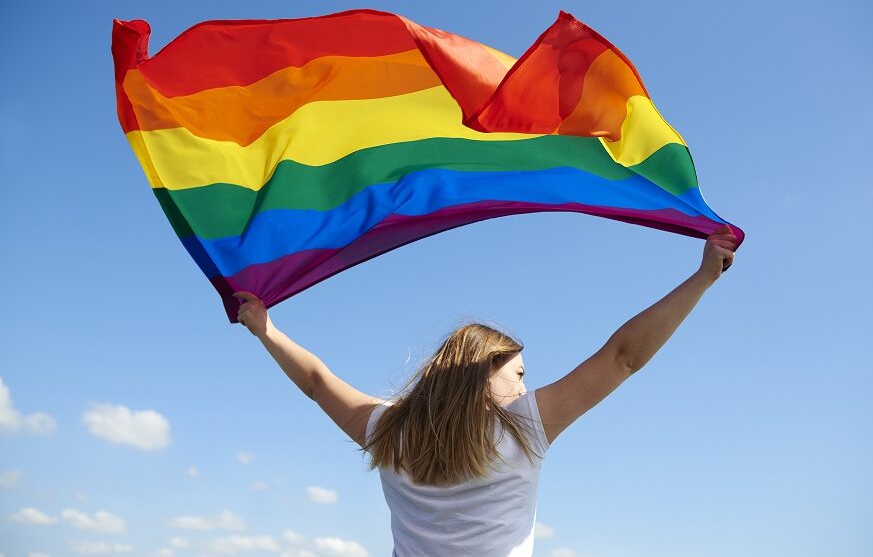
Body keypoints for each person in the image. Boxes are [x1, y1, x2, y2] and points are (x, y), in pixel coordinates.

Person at [233, 224, 738, 556]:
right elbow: (622, 356)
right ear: (482, 373)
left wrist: (267, 330)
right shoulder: (524, 428)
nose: (526, 385)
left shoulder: (388, 431)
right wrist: (701, 280)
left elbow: (319, 384)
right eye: (518, 373)